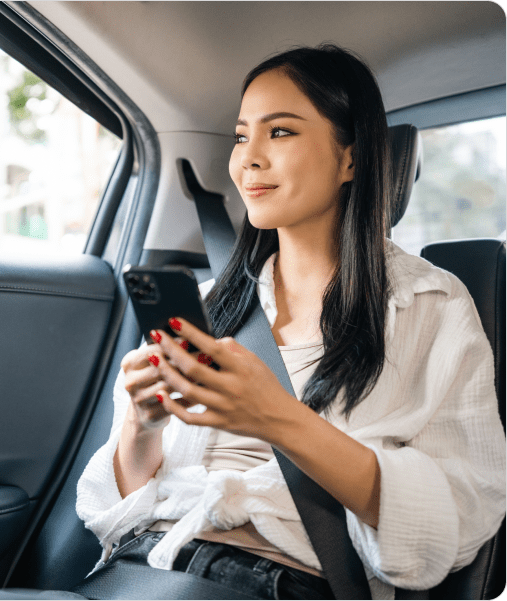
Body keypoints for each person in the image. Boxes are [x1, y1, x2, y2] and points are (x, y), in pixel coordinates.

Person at [76, 44, 505, 600]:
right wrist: (142, 424)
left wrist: (280, 420)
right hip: (141, 567)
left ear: (351, 157)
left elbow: (456, 520)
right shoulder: (212, 305)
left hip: (275, 580)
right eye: (240, 134)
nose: (248, 157)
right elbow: (116, 514)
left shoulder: (433, 304)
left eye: (279, 132)